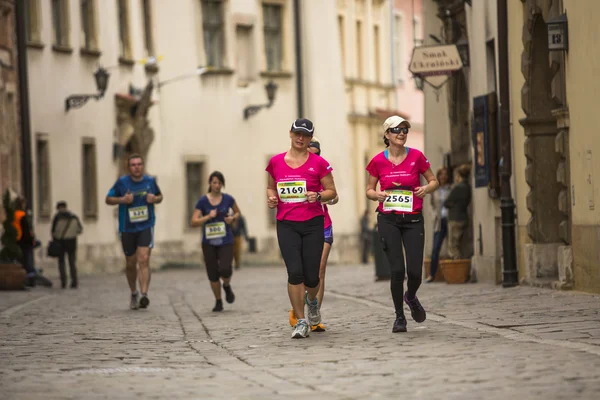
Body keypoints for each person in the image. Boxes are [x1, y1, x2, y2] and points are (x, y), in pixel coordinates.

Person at [365, 115, 439, 333]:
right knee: (397, 270)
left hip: (413, 219)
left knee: (415, 272)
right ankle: (399, 316)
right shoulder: (378, 160)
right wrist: (375, 195)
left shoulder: (417, 157)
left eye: (405, 130)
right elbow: (369, 189)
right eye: (397, 130)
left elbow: (434, 181)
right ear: (387, 134)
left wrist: (426, 188)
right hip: (388, 219)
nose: (402, 133)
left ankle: (411, 296)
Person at [266, 118, 337, 339]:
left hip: (313, 223)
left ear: (310, 138)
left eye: (305, 135)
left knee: (313, 276)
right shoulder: (276, 162)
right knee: (294, 272)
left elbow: (331, 191)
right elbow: (270, 187)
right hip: (287, 224)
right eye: (297, 133)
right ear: (290, 133)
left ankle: (312, 302)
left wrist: (317, 195)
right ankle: (301, 320)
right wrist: (271, 198)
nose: (300, 138)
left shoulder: (319, 163)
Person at [288, 137, 339, 333]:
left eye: (317, 153)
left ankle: (314, 313)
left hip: (322, 224)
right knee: (299, 271)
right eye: (311, 152)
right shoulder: (292, 169)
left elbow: (334, 195)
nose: (314, 157)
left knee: (320, 270)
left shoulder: (320, 169)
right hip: (295, 224)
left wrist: (325, 198)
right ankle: (297, 309)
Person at [105, 154, 163, 310]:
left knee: (144, 258)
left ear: (143, 166)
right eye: (133, 165)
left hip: (146, 225)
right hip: (127, 227)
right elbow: (108, 199)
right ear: (128, 167)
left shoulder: (150, 181)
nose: (136, 167)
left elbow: (160, 196)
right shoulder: (122, 183)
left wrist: (154, 199)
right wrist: (122, 200)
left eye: (139, 164)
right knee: (130, 263)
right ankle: (134, 292)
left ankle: (144, 295)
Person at [191, 171, 241, 312]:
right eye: (214, 182)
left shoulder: (228, 199)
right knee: (212, 272)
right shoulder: (202, 201)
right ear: (210, 184)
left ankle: (226, 285)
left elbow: (238, 212)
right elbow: (193, 221)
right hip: (208, 242)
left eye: (219, 182)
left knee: (225, 268)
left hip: (226, 240)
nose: (217, 185)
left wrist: (232, 218)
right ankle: (218, 301)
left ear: (222, 184)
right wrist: (207, 217)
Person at [426, 167, 451, 283]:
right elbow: (431, 205)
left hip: (450, 220)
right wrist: (434, 216)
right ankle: (432, 274)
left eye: (445, 174)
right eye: (441, 174)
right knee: (436, 248)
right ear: (438, 176)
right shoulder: (434, 190)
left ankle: (451, 275)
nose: (443, 177)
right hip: (439, 221)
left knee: (452, 247)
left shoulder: (451, 189)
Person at [50, 201, 83, 288]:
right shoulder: (74, 217)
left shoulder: (57, 218)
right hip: (72, 242)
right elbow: (80, 230)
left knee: (61, 263)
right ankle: (74, 281)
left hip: (60, 242)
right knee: (72, 262)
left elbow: (53, 231)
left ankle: (63, 281)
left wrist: (57, 237)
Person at [444, 164, 472, 260]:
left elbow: (446, 202)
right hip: (464, 217)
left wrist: (452, 204)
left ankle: (457, 270)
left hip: (455, 218)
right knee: (461, 245)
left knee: (453, 247)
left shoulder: (458, 187)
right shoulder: (468, 187)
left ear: (459, 176)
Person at [13, 196, 36, 287]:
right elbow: (26, 229)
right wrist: (31, 240)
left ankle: (21, 279)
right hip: (24, 241)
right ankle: (29, 280)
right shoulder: (22, 215)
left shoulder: (13, 214)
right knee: (28, 261)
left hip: (16, 240)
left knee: (20, 261)